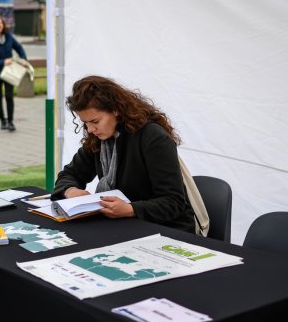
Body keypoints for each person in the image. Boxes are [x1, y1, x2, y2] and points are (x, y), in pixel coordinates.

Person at [52, 75, 196, 233]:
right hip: (124, 225)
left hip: (167, 230)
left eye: (95, 121)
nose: (90, 130)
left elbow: (172, 202)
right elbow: (69, 174)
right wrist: (70, 191)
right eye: (85, 123)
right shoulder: (99, 138)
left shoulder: (154, 138)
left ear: (115, 110)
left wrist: (130, 209)